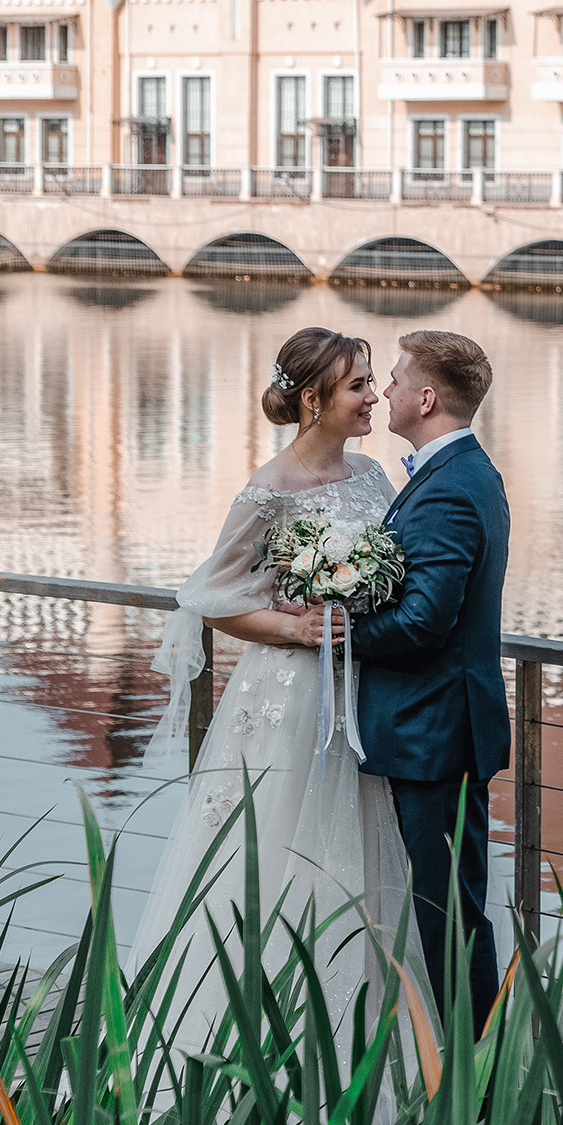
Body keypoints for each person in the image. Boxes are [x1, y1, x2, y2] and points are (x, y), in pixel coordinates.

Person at [129, 328, 410, 1052]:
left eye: (374, 381)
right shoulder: (269, 490)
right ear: (313, 399)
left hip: (362, 693)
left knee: (363, 855)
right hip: (291, 700)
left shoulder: (376, 475)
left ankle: (360, 1038)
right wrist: (295, 632)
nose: (374, 395)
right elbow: (207, 596)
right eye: (358, 386)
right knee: (273, 851)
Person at [298, 330, 510, 1027]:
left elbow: (423, 623)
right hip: (436, 729)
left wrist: (334, 639)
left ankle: (475, 1095)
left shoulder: (450, 489)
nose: (383, 391)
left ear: (426, 397)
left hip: (434, 734)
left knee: (448, 916)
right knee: (447, 908)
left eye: (392, 380)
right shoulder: (456, 473)